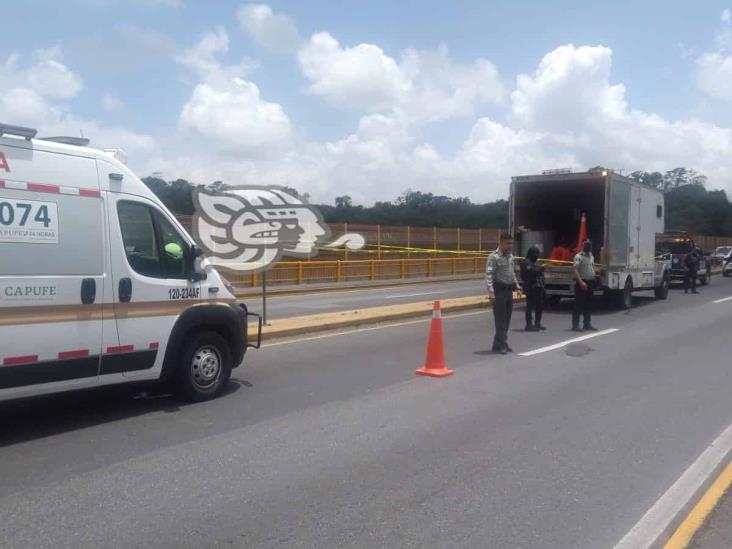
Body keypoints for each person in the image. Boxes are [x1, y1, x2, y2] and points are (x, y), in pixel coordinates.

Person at [486, 234, 521, 354]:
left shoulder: (510, 256)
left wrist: (517, 285)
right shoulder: (493, 257)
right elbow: (489, 276)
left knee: (507, 319)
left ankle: (499, 343)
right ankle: (502, 344)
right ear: (501, 243)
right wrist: (491, 293)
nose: (510, 246)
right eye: (508, 243)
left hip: (508, 290)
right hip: (499, 291)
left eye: (511, 243)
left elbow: (512, 273)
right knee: (500, 320)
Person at [572, 239, 598, 332]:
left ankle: (587, 324)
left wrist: (595, 276)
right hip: (582, 283)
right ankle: (575, 325)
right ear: (583, 246)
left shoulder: (591, 256)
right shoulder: (579, 256)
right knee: (579, 304)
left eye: (590, 245)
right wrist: (581, 282)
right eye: (586, 245)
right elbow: (575, 269)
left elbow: (592, 267)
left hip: (590, 282)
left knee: (588, 304)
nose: (588, 246)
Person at [520, 245, 546, 331]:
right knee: (529, 307)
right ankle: (529, 325)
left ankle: (537, 323)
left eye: (538, 254)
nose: (537, 256)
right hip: (530, 287)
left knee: (540, 306)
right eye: (535, 254)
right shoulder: (525, 262)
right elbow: (532, 272)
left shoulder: (534, 262)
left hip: (538, 288)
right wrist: (540, 269)